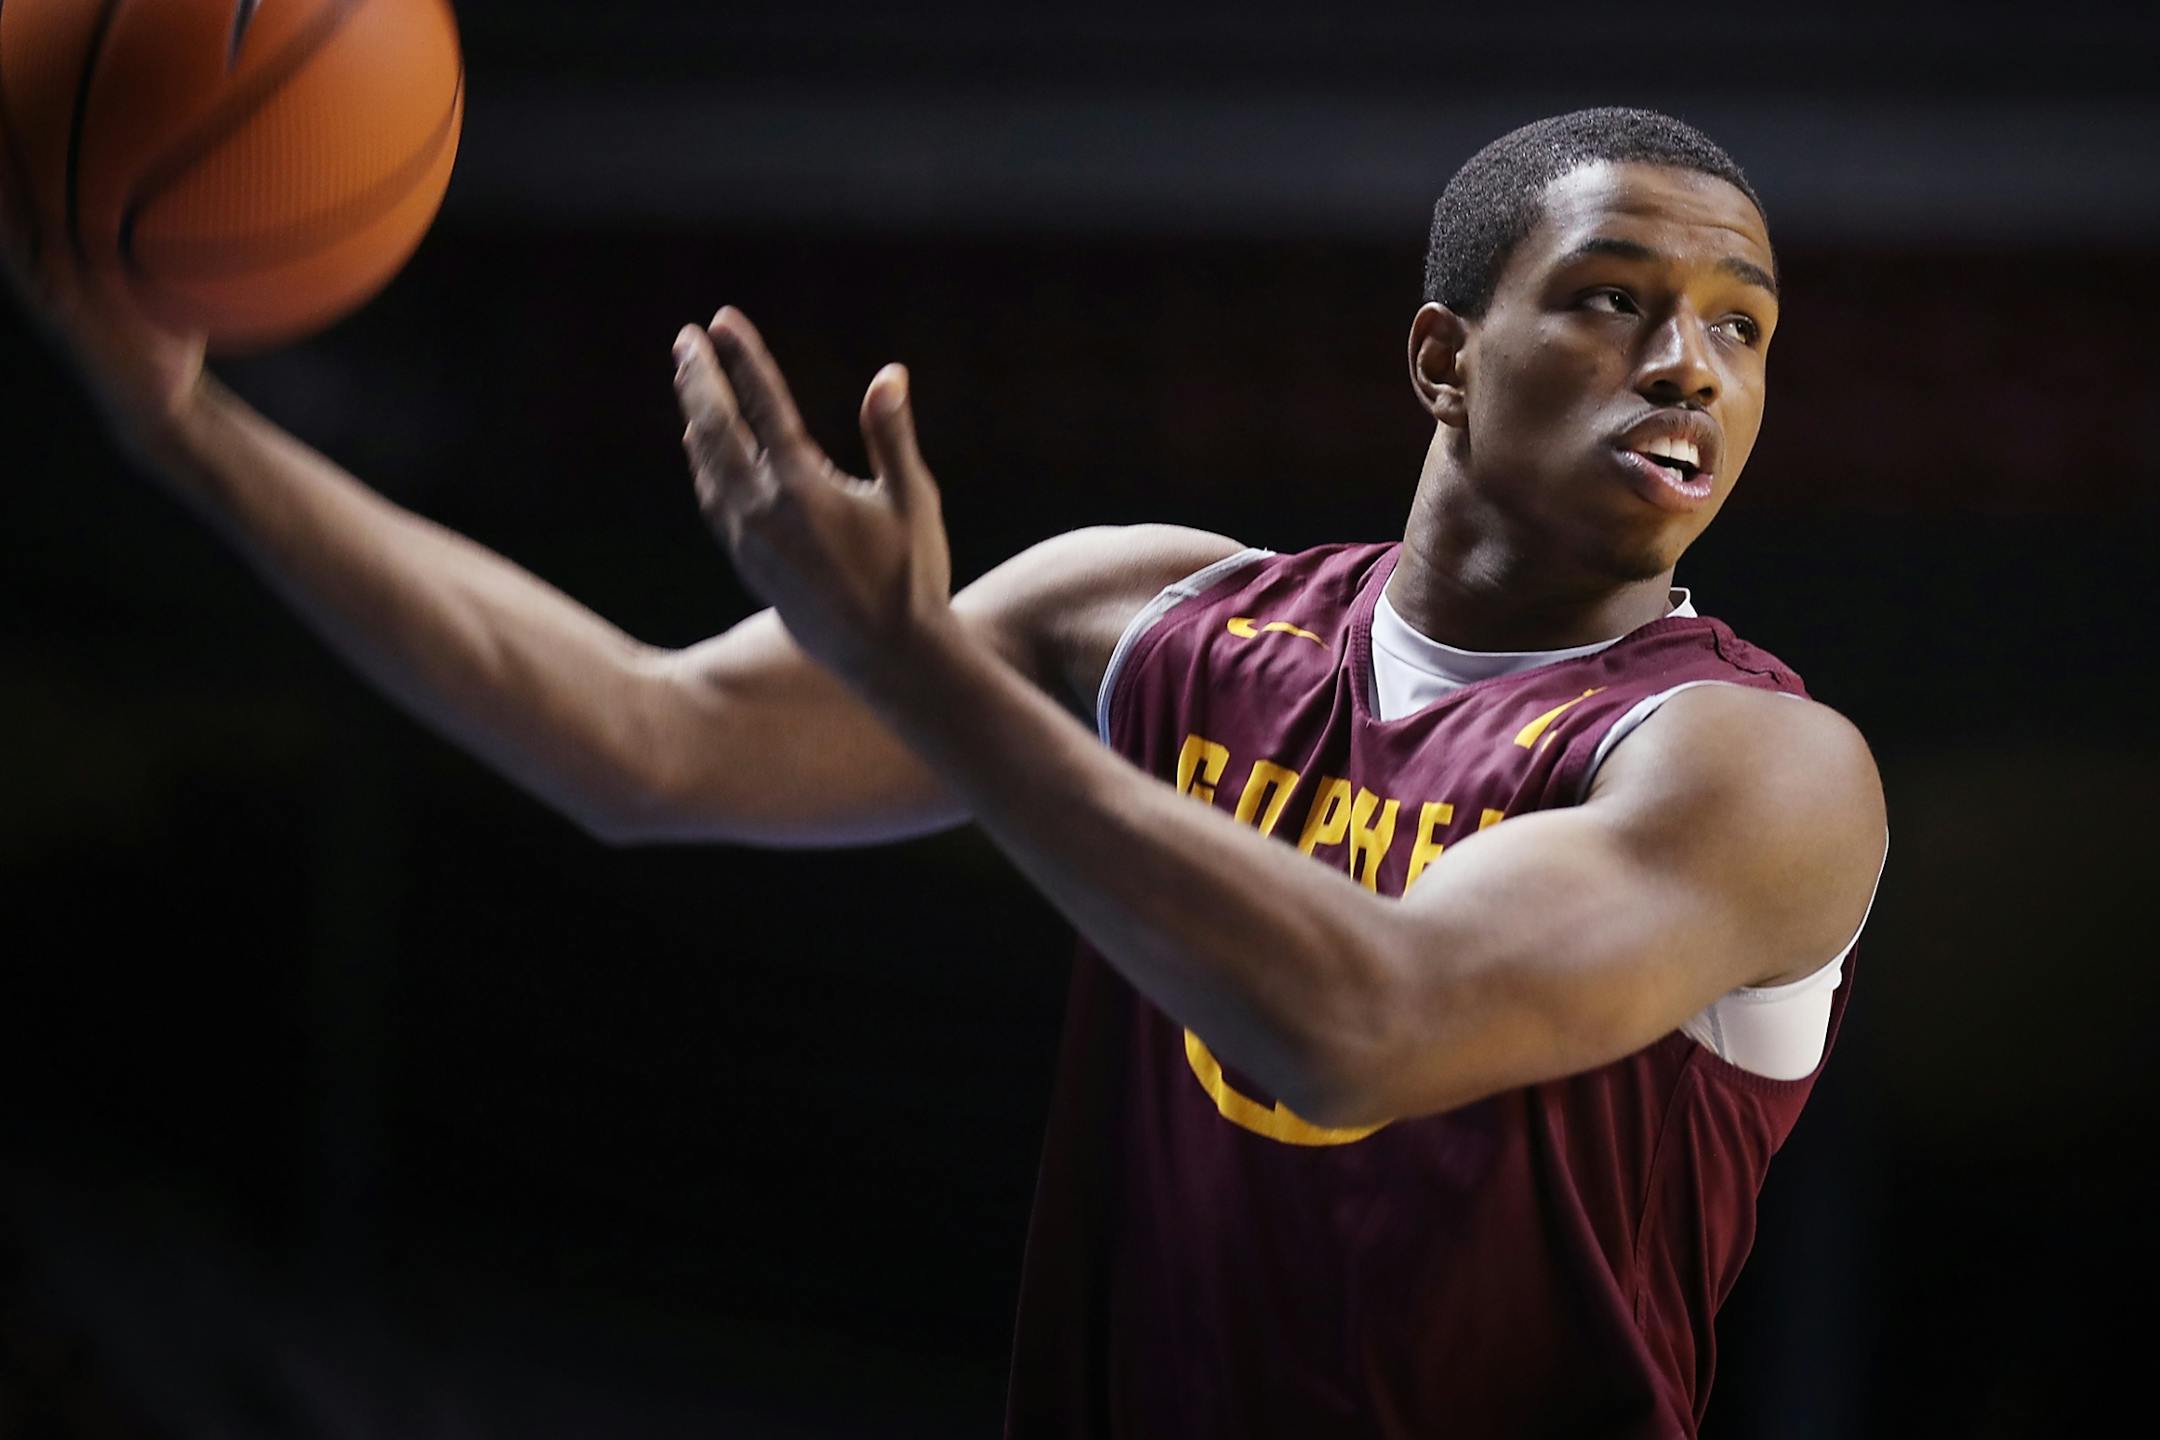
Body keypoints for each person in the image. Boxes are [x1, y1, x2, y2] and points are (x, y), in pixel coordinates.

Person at [10, 106, 1886, 1437]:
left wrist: (912, 661)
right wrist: (185, 432)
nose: (1689, 366)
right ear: (1440, 358)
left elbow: (1363, 1020)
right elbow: (642, 741)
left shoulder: (1750, 764)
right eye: (1615, 298)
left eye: (1742, 331)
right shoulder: (1156, 617)